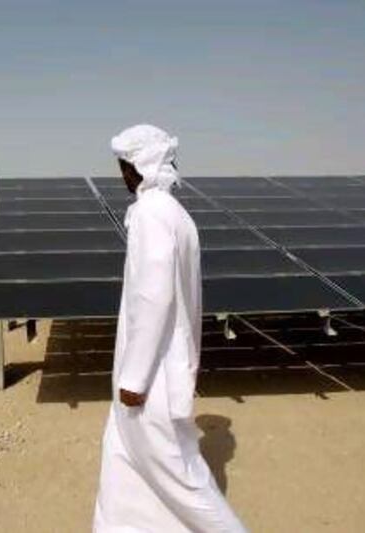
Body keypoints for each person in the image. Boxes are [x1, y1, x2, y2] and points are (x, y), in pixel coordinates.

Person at [93, 124, 248, 532]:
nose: (123, 175)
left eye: (127, 166)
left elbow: (155, 297)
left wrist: (135, 378)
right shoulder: (175, 215)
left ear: (144, 165)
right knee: (121, 461)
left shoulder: (151, 214)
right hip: (153, 375)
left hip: (152, 382)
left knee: (185, 484)